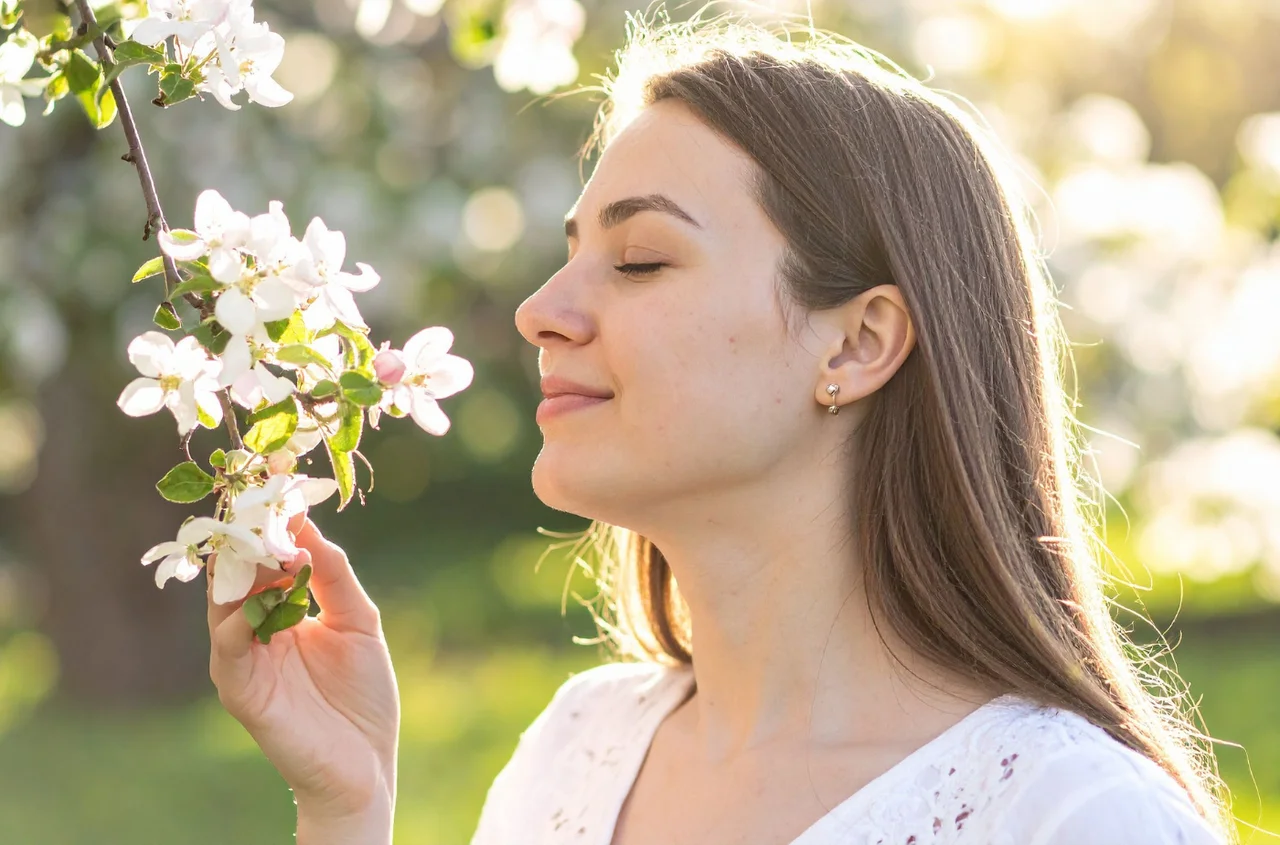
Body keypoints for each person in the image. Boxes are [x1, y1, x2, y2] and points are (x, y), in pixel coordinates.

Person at [205, 11, 1236, 845]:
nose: (538, 310)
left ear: (856, 344)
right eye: (570, 252)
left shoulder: (1071, 817)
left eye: (639, 259)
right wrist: (348, 807)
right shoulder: (575, 751)